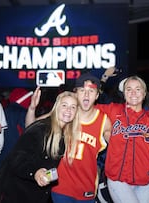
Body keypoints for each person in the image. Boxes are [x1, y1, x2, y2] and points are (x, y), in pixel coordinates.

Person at [26, 73, 112, 203]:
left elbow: (119, 148)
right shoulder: (66, 113)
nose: (86, 95)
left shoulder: (103, 121)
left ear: (97, 95)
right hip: (60, 186)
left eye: (91, 91)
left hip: (86, 186)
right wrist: (32, 108)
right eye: (82, 90)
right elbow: (31, 128)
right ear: (75, 93)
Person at [0, 91, 80, 203]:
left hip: (34, 194)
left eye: (73, 107)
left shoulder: (64, 134)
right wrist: (35, 172)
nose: (68, 110)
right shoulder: (41, 129)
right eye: (64, 105)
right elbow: (17, 158)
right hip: (14, 193)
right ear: (57, 107)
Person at [97, 71, 149, 203]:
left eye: (138, 89)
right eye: (128, 89)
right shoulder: (113, 110)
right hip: (118, 179)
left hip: (145, 181)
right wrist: (103, 79)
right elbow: (87, 105)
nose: (133, 93)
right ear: (123, 93)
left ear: (144, 93)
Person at [0, 88, 33, 167]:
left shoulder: (4, 110)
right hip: (17, 155)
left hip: (3, 154)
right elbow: (29, 131)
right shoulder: (23, 113)